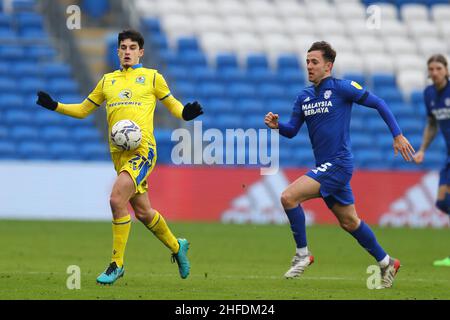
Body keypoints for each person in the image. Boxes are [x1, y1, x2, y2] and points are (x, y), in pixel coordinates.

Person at [35, 29, 203, 284]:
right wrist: (55, 105)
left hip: (143, 152)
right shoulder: (107, 81)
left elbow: (174, 105)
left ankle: (117, 264)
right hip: (120, 156)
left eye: (132, 48)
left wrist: (185, 114)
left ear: (141, 52)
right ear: (117, 51)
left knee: (116, 200)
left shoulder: (152, 78)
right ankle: (177, 245)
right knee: (144, 213)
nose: (127, 52)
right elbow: (83, 110)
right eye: (123, 48)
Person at [264, 41, 415, 289]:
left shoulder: (342, 88)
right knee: (349, 222)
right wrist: (277, 125)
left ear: (328, 65)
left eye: (314, 62)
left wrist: (397, 134)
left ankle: (303, 254)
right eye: (307, 62)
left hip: (339, 163)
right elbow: (292, 130)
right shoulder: (303, 96)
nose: (309, 66)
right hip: (326, 165)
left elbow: (378, 103)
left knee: (288, 197)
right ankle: (387, 262)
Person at [413, 54, 450, 267]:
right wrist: (422, 149)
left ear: (446, 70)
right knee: (443, 202)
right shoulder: (429, 94)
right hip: (448, 156)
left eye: (438, 68)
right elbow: (432, 123)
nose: (434, 72)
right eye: (431, 69)